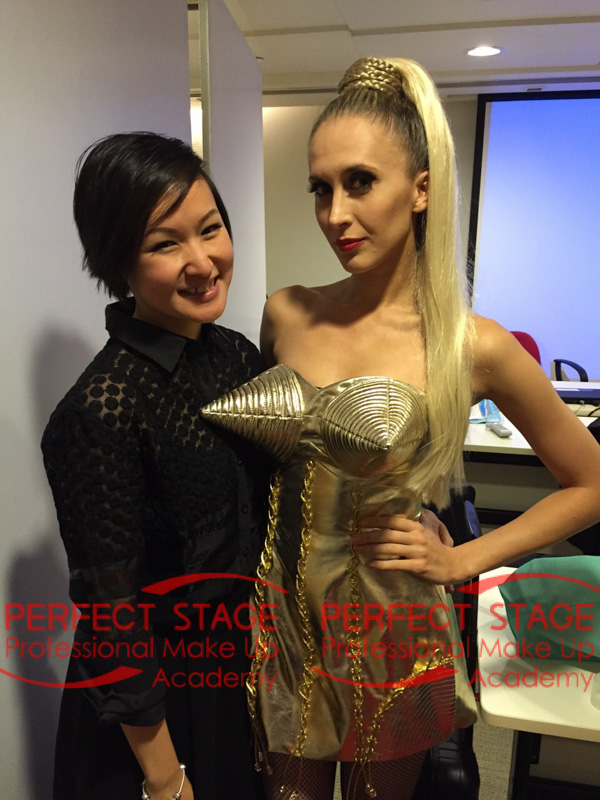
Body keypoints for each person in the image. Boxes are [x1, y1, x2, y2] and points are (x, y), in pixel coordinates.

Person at [201, 57, 600, 800]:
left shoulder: (472, 344)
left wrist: (464, 558)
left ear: (420, 189)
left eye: (360, 182)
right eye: (321, 188)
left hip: (394, 626)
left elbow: (592, 482)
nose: (335, 214)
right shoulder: (287, 312)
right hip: (285, 617)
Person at [41, 132, 271, 800]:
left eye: (210, 229)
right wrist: (167, 782)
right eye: (165, 244)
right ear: (119, 261)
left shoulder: (235, 355)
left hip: (239, 673)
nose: (203, 262)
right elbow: (111, 617)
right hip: (157, 713)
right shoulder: (100, 410)